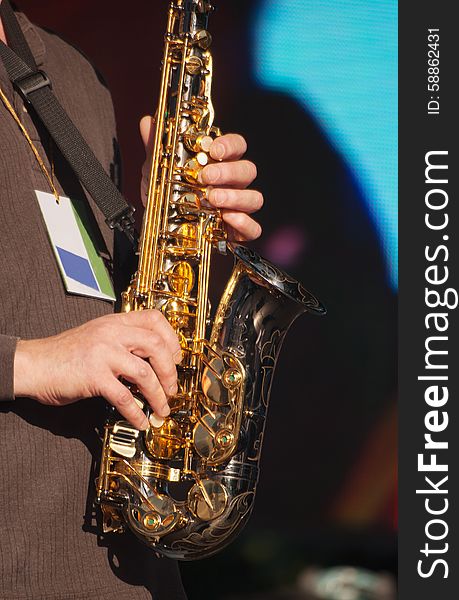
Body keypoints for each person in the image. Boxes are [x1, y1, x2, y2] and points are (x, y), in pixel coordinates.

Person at [0, 3, 263, 599]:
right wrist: (30, 362)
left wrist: (168, 229)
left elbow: (70, 293)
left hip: (127, 575)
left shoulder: (72, 72)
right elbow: (54, 347)